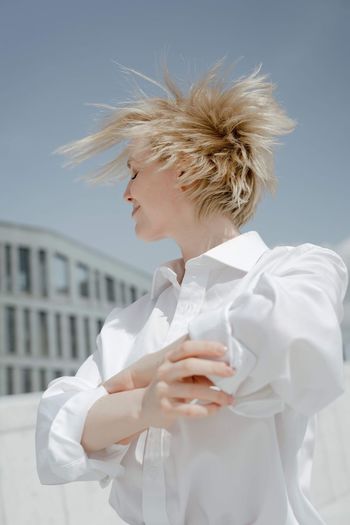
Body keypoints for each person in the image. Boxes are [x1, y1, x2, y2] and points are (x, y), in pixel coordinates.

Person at [35, 58, 348, 525]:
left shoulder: (298, 269)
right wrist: (144, 395)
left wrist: (131, 385)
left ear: (183, 168)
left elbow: (292, 339)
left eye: (134, 171)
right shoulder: (130, 320)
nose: (126, 192)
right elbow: (57, 433)